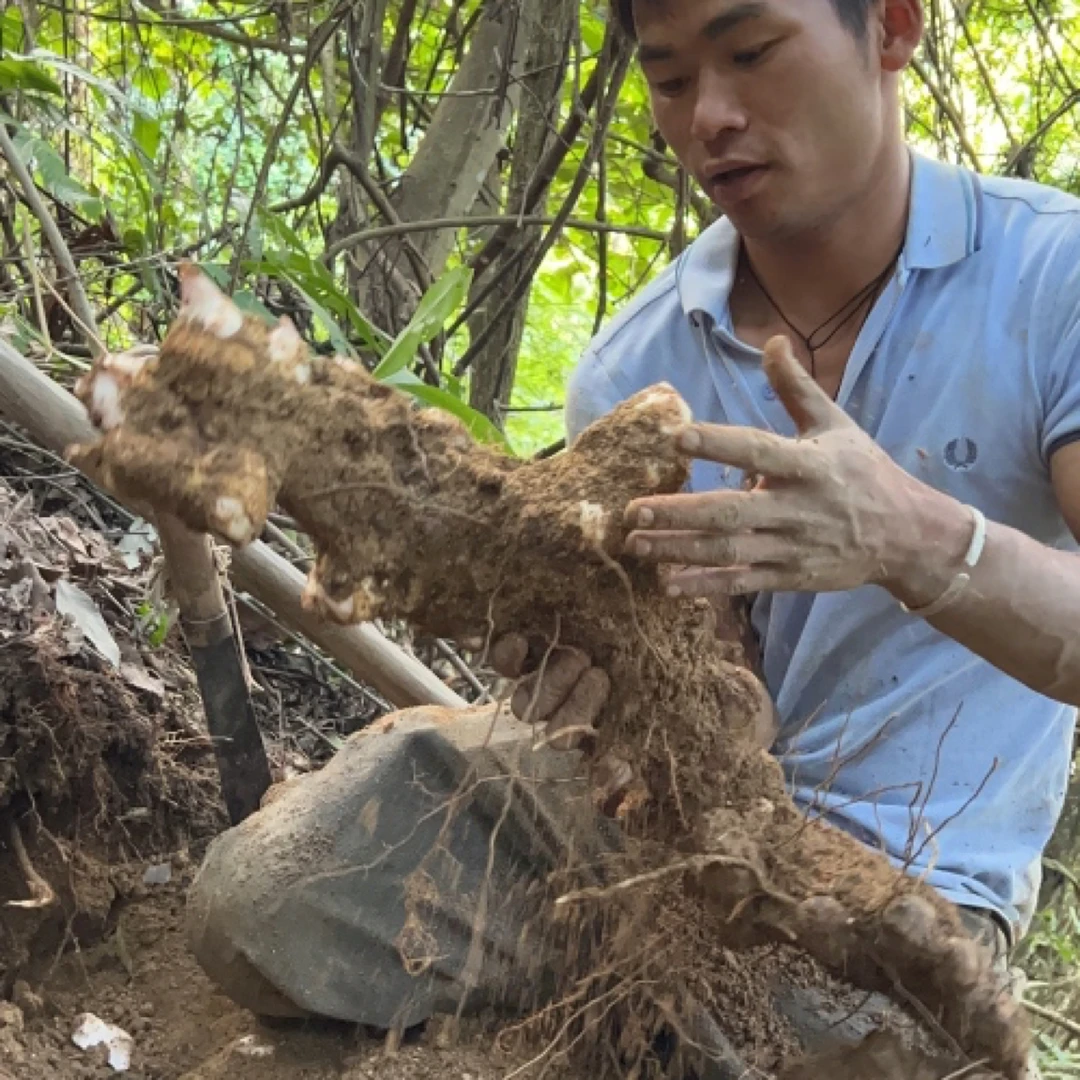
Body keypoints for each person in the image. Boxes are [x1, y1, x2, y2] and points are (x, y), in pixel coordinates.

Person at [186, 0, 1079, 1072]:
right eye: (667, 78)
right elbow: (716, 714)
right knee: (260, 903)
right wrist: (609, 679)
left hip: (903, 895)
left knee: (792, 1033)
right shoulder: (637, 367)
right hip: (649, 841)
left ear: (890, 27)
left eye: (751, 54)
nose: (711, 116)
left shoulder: (1050, 279)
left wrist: (918, 539)